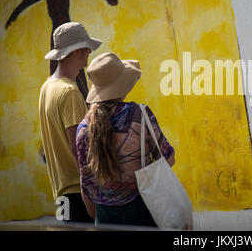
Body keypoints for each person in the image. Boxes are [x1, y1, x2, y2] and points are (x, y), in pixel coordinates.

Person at [75, 52, 175, 226]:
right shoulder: (140, 115)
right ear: (122, 85)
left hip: (103, 216)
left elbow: (86, 183)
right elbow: (168, 158)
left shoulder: (83, 129)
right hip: (141, 210)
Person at [39, 22, 102, 223]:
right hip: (79, 193)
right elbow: (79, 151)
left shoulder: (47, 87)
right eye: (86, 48)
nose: (89, 52)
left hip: (61, 192)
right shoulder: (69, 92)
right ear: (74, 52)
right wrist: (94, 190)